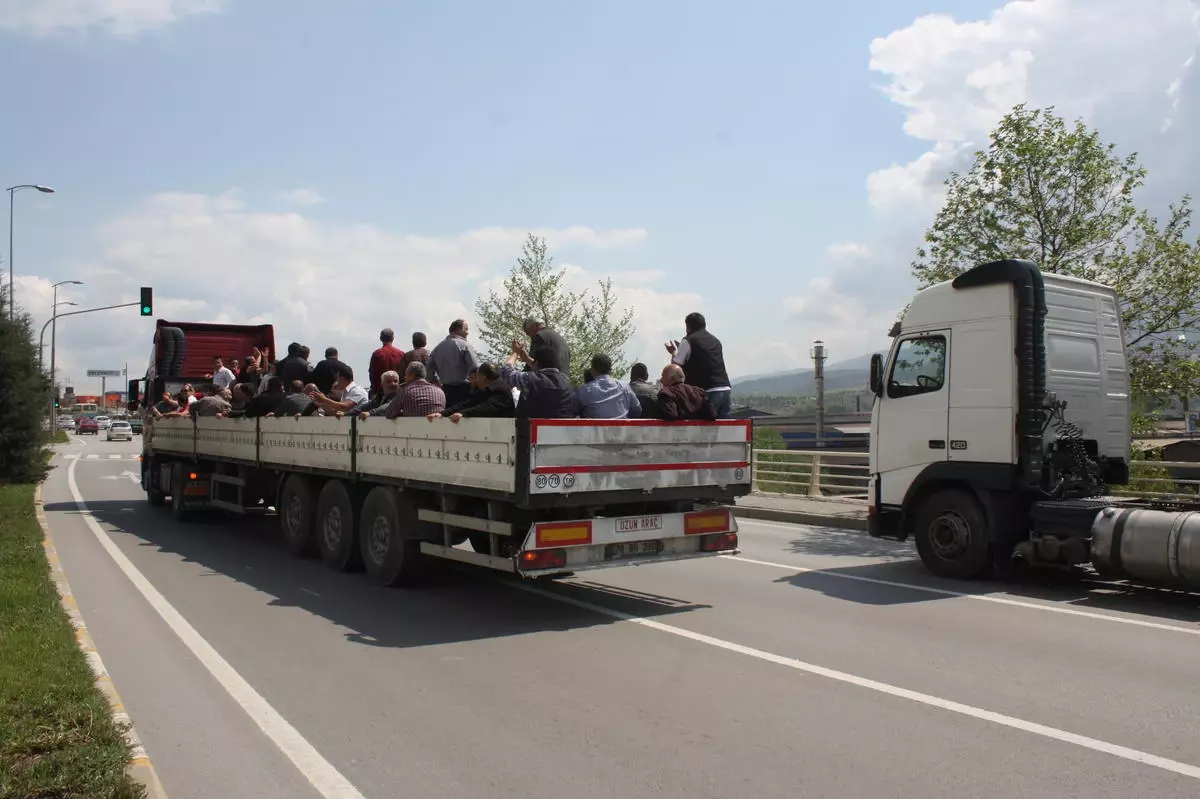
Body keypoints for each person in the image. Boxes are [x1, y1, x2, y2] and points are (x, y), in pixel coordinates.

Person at [665, 312, 732, 418]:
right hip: (725, 389)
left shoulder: (688, 340)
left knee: (703, 431)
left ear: (688, 326)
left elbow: (675, 369)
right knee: (724, 430)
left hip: (706, 391)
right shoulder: (715, 341)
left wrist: (674, 353)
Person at [499, 342, 577, 419]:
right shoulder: (566, 380)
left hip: (535, 429)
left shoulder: (530, 379)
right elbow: (540, 365)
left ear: (537, 363)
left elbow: (505, 372)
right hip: (563, 429)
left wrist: (515, 352)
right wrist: (527, 359)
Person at [427, 363, 515, 422]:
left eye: (477, 377)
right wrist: (442, 413)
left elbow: (485, 408)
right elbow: (468, 403)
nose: (475, 380)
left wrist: (464, 413)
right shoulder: (486, 389)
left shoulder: (501, 390)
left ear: (483, 378)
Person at [428, 319, 480, 407]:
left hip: (445, 390)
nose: (468, 333)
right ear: (457, 329)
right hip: (464, 389)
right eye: (466, 329)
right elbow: (474, 368)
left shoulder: (437, 348)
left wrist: (435, 381)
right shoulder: (465, 345)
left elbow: (429, 368)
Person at [575, 354, 640, 419]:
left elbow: (573, 411)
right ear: (610, 369)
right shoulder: (625, 387)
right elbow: (637, 410)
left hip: (595, 428)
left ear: (593, 370)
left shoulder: (583, 390)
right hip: (622, 428)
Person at [369, 328, 406, 400]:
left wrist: (374, 392)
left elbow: (373, 375)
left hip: (381, 393)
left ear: (380, 338)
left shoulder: (377, 354)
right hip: (397, 393)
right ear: (393, 338)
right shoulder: (401, 354)